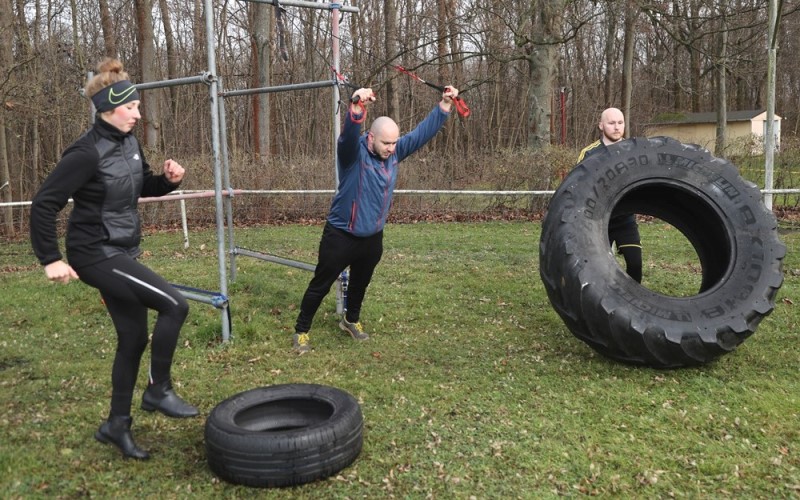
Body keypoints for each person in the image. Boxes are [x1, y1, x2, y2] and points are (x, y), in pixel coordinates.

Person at [30, 58, 198, 461]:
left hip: (121, 250)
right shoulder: (85, 153)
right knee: (175, 305)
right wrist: (50, 258)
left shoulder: (128, 144)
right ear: (109, 108)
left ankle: (115, 425)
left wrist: (168, 182)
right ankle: (158, 390)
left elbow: (139, 189)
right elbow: (43, 204)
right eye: (132, 107)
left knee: (134, 338)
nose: (139, 114)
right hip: (94, 254)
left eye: (138, 107)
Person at [292, 85, 459, 353]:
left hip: (372, 236)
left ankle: (351, 320)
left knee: (360, 283)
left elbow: (420, 135)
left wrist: (444, 106)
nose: (392, 148)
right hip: (341, 234)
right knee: (320, 285)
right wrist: (357, 109)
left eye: (394, 143)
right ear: (371, 138)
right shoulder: (353, 155)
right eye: (386, 143)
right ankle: (301, 331)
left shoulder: (393, 154)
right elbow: (347, 137)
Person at [576, 107, 643, 283]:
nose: (616, 127)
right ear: (601, 125)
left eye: (620, 123)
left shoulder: (635, 151)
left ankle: (632, 306)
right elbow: (579, 187)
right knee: (596, 269)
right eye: (611, 123)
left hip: (624, 219)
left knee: (635, 264)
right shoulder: (589, 153)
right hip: (596, 220)